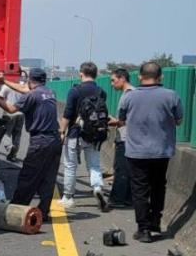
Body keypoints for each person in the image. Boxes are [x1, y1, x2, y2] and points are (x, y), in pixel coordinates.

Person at [116, 62, 184, 243]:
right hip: (161, 151)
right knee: (158, 186)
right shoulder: (171, 95)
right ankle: (155, 221)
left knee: (139, 190)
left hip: (136, 152)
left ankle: (143, 229)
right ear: (160, 77)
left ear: (139, 76)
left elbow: (121, 120)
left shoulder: (128, 97)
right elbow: (179, 121)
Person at [0, 67, 62, 222]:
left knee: (28, 177)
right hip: (55, 140)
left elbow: (10, 108)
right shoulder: (49, 93)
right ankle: (43, 212)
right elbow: (25, 89)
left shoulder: (31, 95)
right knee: (48, 178)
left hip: (40, 141)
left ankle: (16, 210)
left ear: (30, 80)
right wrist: (5, 82)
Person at [59, 61, 107, 211]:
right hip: (94, 134)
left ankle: (68, 197)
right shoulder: (101, 92)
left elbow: (67, 114)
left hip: (75, 133)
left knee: (70, 165)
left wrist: (62, 131)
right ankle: (97, 187)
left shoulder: (75, 91)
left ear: (81, 74)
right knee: (94, 164)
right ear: (96, 75)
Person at [107, 68, 134, 208]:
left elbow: (126, 120)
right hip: (126, 137)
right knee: (126, 169)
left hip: (126, 138)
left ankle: (119, 199)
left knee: (121, 169)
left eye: (114, 80)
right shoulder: (129, 94)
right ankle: (127, 198)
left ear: (122, 78)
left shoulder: (129, 95)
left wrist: (113, 121)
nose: (112, 84)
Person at [0, 81, 25, 162]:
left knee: (5, 133)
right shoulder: (22, 86)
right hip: (21, 113)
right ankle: (13, 155)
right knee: (17, 134)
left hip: (9, 113)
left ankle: (9, 147)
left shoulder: (6, 86)